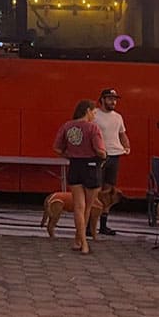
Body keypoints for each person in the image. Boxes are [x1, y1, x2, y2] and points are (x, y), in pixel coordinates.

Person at [51, 99, 106, 255]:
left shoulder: (67, 126)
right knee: (87, 208)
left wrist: (70, 155)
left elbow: (57, 148)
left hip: (75, 166)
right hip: (91, 167)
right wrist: (103, 156)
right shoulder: (93, 128)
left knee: (78, 207)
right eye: (94, 113)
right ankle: (84, 243)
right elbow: (100, 150)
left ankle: (79, 240)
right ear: (87, 111)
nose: (94, 116)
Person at [93, 87, 130, 235]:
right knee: (95, 190)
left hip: (115, 155)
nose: (113, 102)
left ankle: (103, 225)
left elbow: (122, 134)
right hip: (100, 155)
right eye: (109, 99)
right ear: (102, 99)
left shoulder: (118, 117)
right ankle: (91, 224)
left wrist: (126, 145)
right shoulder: (94, 114)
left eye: (114, 99)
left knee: (108, 191)